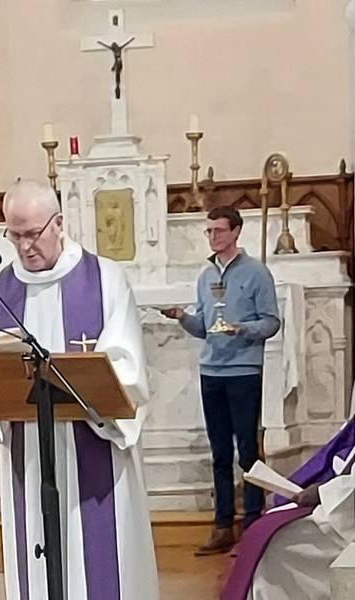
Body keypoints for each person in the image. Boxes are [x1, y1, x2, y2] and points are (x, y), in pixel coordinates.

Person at [0, 180, 158, 599]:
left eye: (33, 233)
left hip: (94, 443)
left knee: (101, 560)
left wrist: (89, 384)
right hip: (30, 448)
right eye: (15, 235)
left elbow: (127, 366)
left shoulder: (105, 279)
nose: (24, 246)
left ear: (59, 223)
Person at [161, 206, 280, 555]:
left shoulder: (256, 273)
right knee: (220, 452)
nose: (213, 237)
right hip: (211, 371)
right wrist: (182, 316)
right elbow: (204, 328)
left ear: (236, 232)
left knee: (248, 450)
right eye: (209, 231)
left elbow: (271, 322)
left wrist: (243, 329)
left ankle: (254, 523)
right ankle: (223, 524)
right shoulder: (205, 277)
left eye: (219, 230)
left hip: (243, 371)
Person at [222, 465, 355, 600]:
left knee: (275, 545)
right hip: (343, 501)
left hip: (347, 515)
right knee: (266, 529)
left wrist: (323, 492)